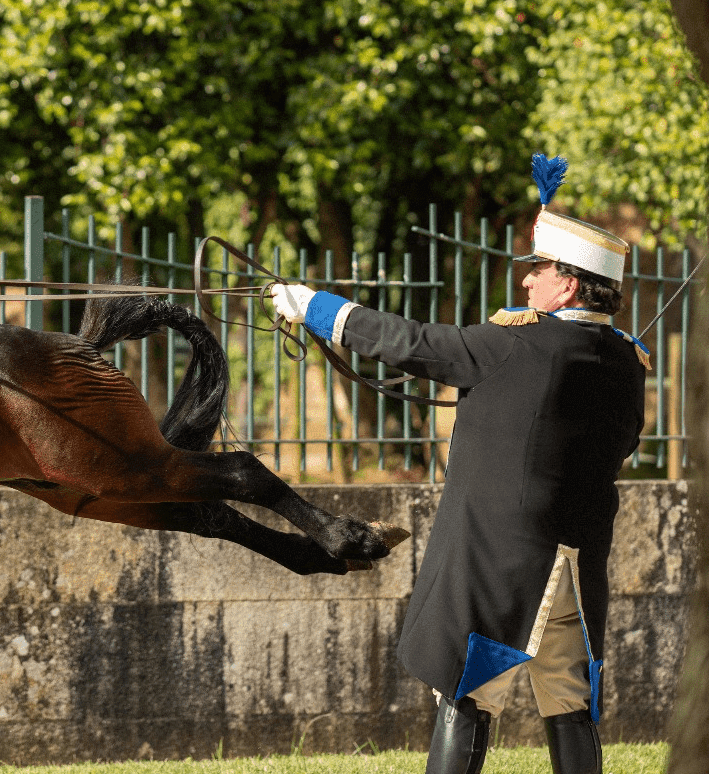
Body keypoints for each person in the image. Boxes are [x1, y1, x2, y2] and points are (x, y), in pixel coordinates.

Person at [270, 155, 648, 774]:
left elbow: (412, 343)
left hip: (499, 557)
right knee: (570, 703)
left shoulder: (514, 342)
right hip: (577, 560)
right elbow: (624, 442)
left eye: (539, 270)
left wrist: (313, 307)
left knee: (465, 692)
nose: (527, 282)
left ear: (569, 285)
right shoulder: (628, 360)